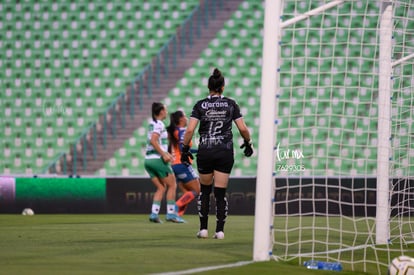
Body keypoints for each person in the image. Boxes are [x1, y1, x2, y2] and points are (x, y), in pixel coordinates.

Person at [180, 68, 253, 239]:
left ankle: (203, 229)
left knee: (205, 191)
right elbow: (242, 128)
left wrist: (184, 150)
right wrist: (248, 142)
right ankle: (220, 231)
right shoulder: (231, 104)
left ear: (208, 86)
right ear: (223, 87)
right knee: (220, 193)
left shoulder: (200, 105)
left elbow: (190, 130)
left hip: (205, 150)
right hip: (224, 151)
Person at [144, 102, 184, 223]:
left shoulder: (152, 124)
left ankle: (154, 214)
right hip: (157, 159)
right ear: (161, 111)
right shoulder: (159, 124)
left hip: (148, 161)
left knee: (161, 187)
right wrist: (164, 154)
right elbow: (153, 140)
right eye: (165, 110)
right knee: (172, 185)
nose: (166, 112)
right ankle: (171, 214)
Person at [166, 110, 200, 216]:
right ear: (181, 119)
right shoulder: (182, 131)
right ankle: (174, 208)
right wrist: (200, 150)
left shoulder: (174, 131)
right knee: (197, 190)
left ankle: (177, 216)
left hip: (174, 165)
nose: (186, 118)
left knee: (187, 193)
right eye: (185, 116)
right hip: (182, 165)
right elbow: (182, 148)